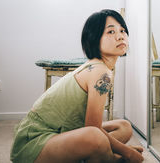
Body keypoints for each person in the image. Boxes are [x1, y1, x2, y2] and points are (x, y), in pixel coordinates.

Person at [10, 9, 144, 163]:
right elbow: (93, 128)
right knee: (95, 137)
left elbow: (92, 127)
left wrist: (119, 149)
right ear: (94, 39)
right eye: (111, 32)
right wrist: (127, 152)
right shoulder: (101, 72)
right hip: (34, 143)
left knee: (124, 126)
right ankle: (110, 158)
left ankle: (104, 155)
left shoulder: (100, 67)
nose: (120, 36)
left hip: (63, 134)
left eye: (122, 30)